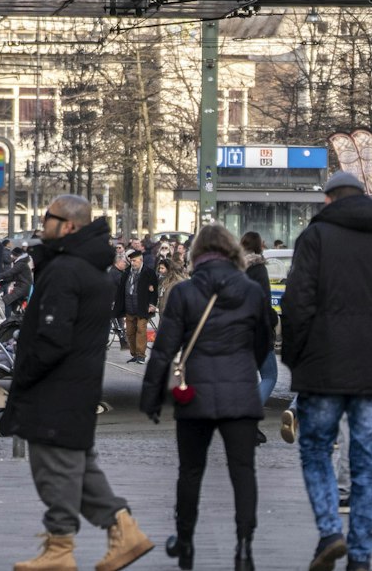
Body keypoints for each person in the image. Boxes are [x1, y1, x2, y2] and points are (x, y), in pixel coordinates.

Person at [280, 171, 372, 571]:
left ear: (329, 201)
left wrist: (296, 359)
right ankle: (360, 557)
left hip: (322, 370)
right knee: (365, 463)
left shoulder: (315, 239)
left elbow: (296, 305)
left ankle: (330, 531)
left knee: (315, 450)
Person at [8, 195, 152, 571]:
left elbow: (53, 337)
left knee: (54, 468)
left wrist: (24, 376)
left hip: (56, 388)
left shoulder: (65, 270)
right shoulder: (90, 268)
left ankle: (60, 548)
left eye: (48, 218)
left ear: (68, 226)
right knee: (80, 468)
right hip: (77, 385)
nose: (42, 225)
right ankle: (125, 532)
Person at [139, 223, 270, 571]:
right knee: (243, 471)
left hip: (195, 394)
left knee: (191, 471)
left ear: (196, 255)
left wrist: (151, 396)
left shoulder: (184, 293)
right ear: (233, 253)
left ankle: (184, 543)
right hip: (241, 393)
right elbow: (263, 345)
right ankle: (244, 547)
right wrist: (244, 369)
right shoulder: (251, 291)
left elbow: (164, 350)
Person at [240, 230, 279, 429]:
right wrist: (273, 319)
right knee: (270, 376)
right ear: (258, 246)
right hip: (258, 331)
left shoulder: (235, 268)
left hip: (238, 331)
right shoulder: (258, 269)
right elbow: (262, 300)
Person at [125, 249, 158, 364]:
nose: (132, 263)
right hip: (129, 307)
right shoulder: (127, 272)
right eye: (131, 261)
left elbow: (154, 291)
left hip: (142, 307)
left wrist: (152, 304)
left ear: (141, 260)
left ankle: (141, 355)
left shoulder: (149, 272)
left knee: (141, 330)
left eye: (134, 261)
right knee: (129, 332)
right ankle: (134, 354)